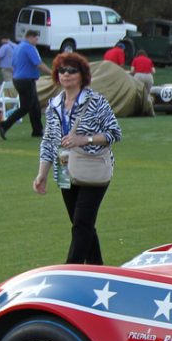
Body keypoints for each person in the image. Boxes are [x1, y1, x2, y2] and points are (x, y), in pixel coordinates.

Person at [33, 52, 121, 264]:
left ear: (82, 75)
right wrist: (42, 174)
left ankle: (70, 271)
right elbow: (47, 142)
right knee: (82, 224)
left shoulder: (96, 101)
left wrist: (84, 139)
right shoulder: (54, 105)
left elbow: (114, 133)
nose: (66, 74)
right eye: (62, 70)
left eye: (72, 70)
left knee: (81, 223)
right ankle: (98, 269)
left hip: (93, 168)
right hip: (64, 169)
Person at [0, 30, 51, 139]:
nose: (37, 41)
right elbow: (38, 64)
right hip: (26, 80)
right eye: (36, 38)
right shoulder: (29, 48)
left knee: (35, 106)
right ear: (30, 37)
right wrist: (53, 73)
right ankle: (4, 125)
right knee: (26, 107)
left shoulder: (18, 47)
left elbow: (13, 65)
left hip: (18, 79)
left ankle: (37, 130)